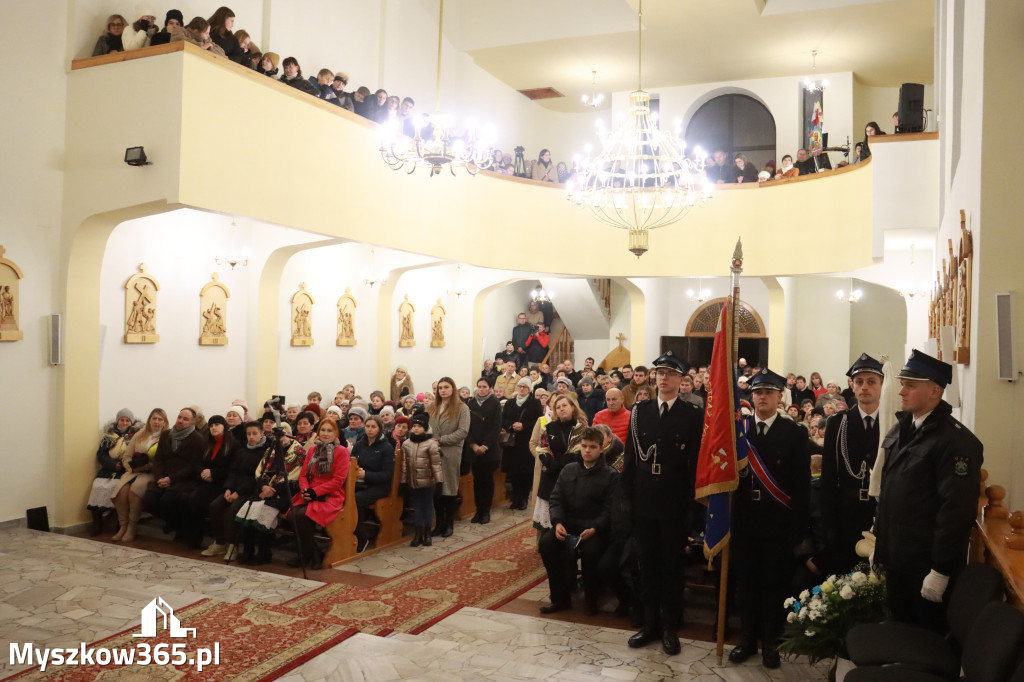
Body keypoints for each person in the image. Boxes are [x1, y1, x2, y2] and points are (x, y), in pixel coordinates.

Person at [873, 350, 982, 632]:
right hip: (897, 557)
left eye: (910, 385)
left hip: (924, 565)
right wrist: (880, 541)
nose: (901, 391)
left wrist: (940, 570)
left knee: (924, 640)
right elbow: (891, 492)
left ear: (934, 391)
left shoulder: (956, 442)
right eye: (902, 383)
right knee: (898, 634)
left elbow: (955, 511)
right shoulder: (901, 429)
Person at [622, 351, 704, 656]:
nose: (664, 378)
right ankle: (649, 624)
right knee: (647, 566)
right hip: (644, 499)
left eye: (671, 373)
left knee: (672, 568)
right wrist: (627, 501)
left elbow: (695, 467)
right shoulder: (639, 411)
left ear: (682, 380)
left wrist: (691, 514)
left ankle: (670, 627)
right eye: (660, 373)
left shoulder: (693, 414)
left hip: (674, 500)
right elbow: (631, 460)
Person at [729, 369, 810, 669]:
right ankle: (747, 639)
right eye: (757, 392)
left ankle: (771, 643)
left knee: (774, 586)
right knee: (746, 584)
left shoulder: (794, 433)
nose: (762, 396)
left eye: (768, 392)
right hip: (745, 522)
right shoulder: (740, 433)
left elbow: (801, 486)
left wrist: (797, 531)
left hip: (778, 524)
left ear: (779, 396)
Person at [538, 426, 618, 615]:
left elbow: (610, 509)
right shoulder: (569, 470)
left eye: (592, 447)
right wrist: (557, 523)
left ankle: (591, 601)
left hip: (595, 528)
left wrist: (596, 528)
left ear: (601, 449)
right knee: (547, 544)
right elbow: (556, 499)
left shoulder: (611, 475)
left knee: (591, 553)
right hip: (569, 524)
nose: (587, 450)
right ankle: (560, 598)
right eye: (584, 446)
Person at [820, 354, 883, 574]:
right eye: (859, 382)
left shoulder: (894, 423)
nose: (865, 387)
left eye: (871, 381)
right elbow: (828, 476)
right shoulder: (838, 423)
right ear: (852, 386)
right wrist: (829, 525)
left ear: (881, 385)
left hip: (880, 513)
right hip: (846, 514)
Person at [289, 417, 351, 568]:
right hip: (310, 492)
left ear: (336, 433)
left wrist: (315, 492)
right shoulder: (312, 449)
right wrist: (305, 490)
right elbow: (303, 475)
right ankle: (311, 552)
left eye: (329, 430)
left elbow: (338, 480)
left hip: (330, 495)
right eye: (322, 430)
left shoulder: (341, 451)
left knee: (302, 516)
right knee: (292, 514)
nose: (325, 433)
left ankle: (310, 555)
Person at [142, 407, 206, 540]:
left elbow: (193, 465)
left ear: (193, 422)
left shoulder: (197, 439)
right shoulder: (166, 435)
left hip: (183, 480)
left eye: (185, 419)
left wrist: (171, 479)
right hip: (163, 477)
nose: (181, 421)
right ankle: (172, 521)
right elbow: (158, 459)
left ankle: (177, 525)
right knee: (148, 500)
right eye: (179, 417)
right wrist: (159, 477)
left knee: (167, 500)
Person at [109, 409, 167, 542]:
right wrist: (131, 468)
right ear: (149, 420)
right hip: (133, 471)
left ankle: (132, 527)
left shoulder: (165, 437)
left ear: (164, 422)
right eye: (154, 418)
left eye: (160, 419)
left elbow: (165, 460)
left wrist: (150, 467)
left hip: (151, 473)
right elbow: (127, 456)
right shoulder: (140, 434)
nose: (157, 422)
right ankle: (123, 525)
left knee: (134, 491)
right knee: (121, 492)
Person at [533, 395, 588, 533]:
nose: (561, 409)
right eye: (558, 407)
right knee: (548, 518)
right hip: (551, 475)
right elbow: (542, 448)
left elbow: (579, 451)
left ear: (573, 407)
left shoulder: (581, 428)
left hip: (572, 475)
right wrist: (552, 464)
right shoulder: (549, 427)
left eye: (564, 405)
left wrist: (558, 464)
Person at [182, 414, 237, 549]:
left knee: (197, 499)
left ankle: (199, 539)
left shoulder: (233, 444)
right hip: (205, 480)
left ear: (224, 426)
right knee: (185, 498)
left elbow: (232, 468)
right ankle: (191, 536)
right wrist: (203, 472)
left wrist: (213, 473)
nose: (214, 428)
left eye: (217, 425)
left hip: (222, 483)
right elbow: (198, 462)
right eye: (211, 425)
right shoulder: (206, 442)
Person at [87, 408, 143, 535]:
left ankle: (119, 523)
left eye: (127, 420)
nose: (124, 423)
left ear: (132, 422)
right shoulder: (108, 436)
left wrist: (123, 465)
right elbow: (101, 454)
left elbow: (136, 454)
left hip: (125, 470)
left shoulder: (136, 436)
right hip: (109, 469)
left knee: (115, 488)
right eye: (122, 420)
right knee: (97, 486)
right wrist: (113, 464)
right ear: (118, 421)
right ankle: (97, 522)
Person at [428, 377, 470, 538]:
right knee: (436, 490)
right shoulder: (432, 406)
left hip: (451, 451)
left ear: (453, 389)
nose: (443, 390)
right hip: (433, 451)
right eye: (440, 388)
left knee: (449, 489)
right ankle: (438, 524)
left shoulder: (461, 408)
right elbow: (425, 426)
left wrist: (442, 440)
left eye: (446, 387)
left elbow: (463, 431)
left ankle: (449, 524)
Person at [351, 415, 395, 553]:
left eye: (373, 427)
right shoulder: (359, 445)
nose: (370, 430)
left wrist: (366, 475)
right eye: (367, 426)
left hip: (379, 486)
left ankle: (362, 538)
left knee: (356, 500)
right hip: (359, 483)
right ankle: (344, 534)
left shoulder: (386, 448)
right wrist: (356, 472)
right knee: (339, 495)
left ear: (380, 429)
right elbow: (351, 464)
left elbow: (387, 475)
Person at [401, 412, 442, 547]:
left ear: (425, 428)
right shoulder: (407, 444)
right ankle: (418, 534)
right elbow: (404, 465)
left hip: (428, 481)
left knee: (428, 506)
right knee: (417, 507)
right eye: (414, 426)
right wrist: (403, 481)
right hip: (414, 481)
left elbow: (436, 464)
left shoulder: (430, 444)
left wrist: (439, 480)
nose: (416, 428)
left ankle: (427, 533)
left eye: (419, 426)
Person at [502, 377, 543, 511]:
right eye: (520, 386)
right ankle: (516, 497)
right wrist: (511, 425)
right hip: (512, 443)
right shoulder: (510, 403)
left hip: (526, 442)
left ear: (529, 389)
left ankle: (524, 497)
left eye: (525, 387)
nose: (522, 389)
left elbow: (538, 421)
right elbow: (504, 420)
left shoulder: (534, 403)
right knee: (513, 472)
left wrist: (523, 426)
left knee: (525, 472)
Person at [465, 378, 502, 523]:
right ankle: (477, 510)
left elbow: (496, 426)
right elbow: (467, 426)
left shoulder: (495, 403)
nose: (481, 389)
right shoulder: (471, 403)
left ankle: (486, 510)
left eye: (484, 387)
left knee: (487, 481)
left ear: (490, 388)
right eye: (479, 386)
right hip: (474, 448)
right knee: (476, 481)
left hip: (489, 449)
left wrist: (485, 445)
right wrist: (473, 445)